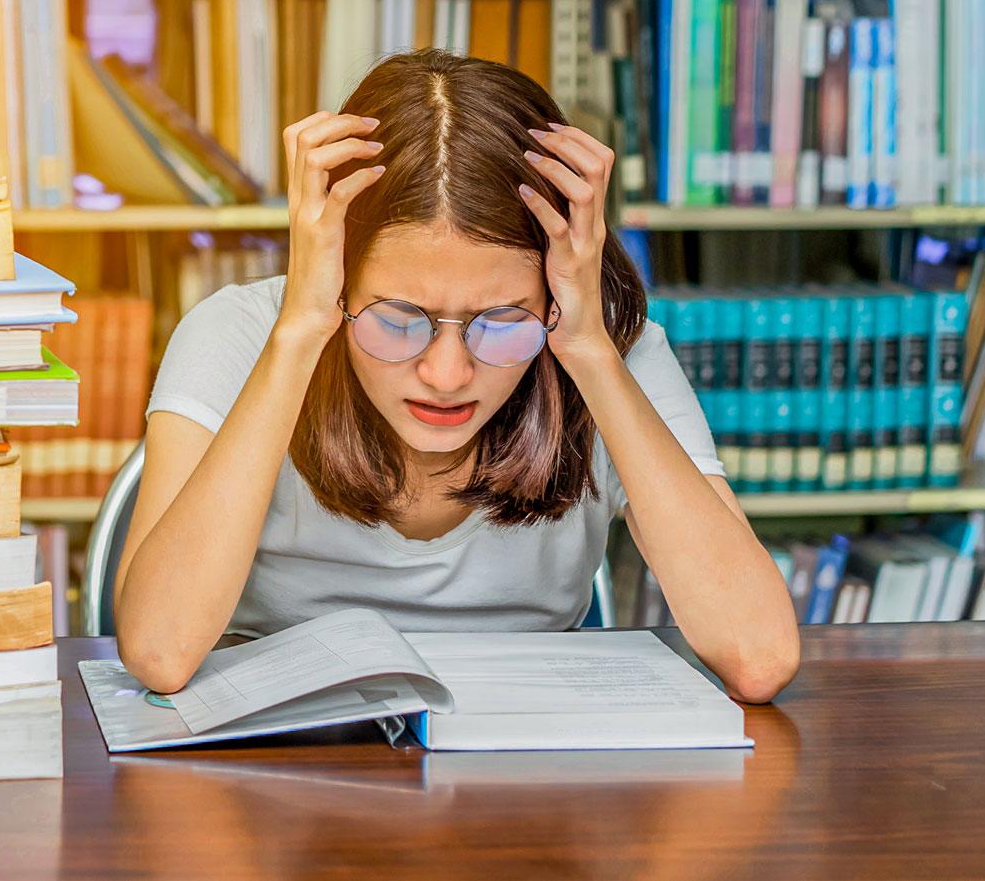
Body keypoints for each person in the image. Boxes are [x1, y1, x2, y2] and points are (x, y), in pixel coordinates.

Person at [112, 49, 799, 702]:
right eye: (398, 318)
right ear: (341, 279)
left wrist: (589, 350)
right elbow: (161, 653)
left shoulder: (604, 344)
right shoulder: (241, 333)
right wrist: (302, 331)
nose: (447, 374)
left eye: (501, 321)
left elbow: (757, 656)